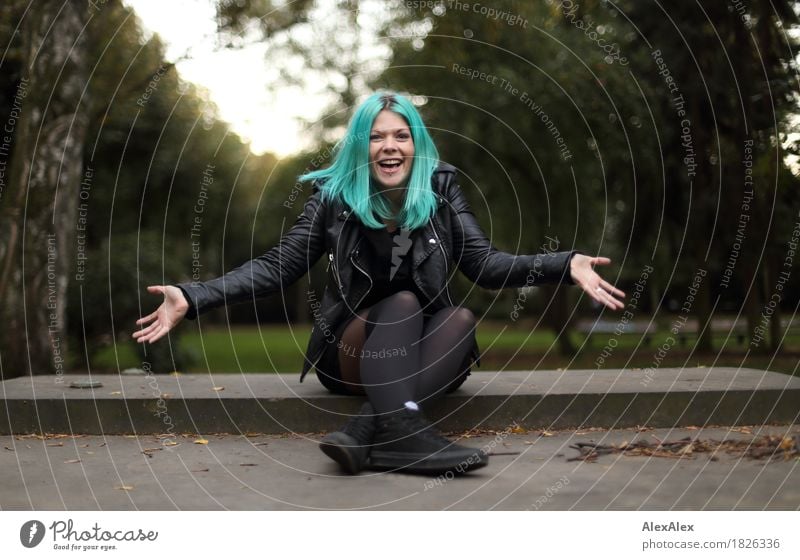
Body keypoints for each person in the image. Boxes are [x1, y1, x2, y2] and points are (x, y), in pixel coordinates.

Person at [133, 91, 625, 476]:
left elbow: (486, 265)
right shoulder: (333, 198)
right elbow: (279, 266)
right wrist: (192, 296)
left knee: (460, 318)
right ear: (360, 147)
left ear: (416, 145)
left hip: (423, 357)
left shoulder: (442, 188)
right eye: (376, 136)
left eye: (401, 135)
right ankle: (409, 438)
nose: (390, 145)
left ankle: (373, 428)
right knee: (405, 302)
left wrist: (567, 263)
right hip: (349, 352)